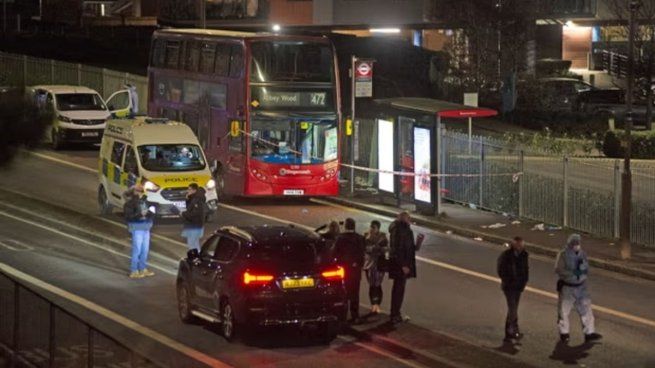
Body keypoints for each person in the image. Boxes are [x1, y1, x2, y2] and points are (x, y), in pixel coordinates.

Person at [555, 234, 602, 343]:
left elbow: (586, 268)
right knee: (563, 311)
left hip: (581, 286)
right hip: (568, 287)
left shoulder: (582, 254)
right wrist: (572, 273)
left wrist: (583, 273)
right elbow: (559, 269)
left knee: (586, 310)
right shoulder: (563, 255)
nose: (576, 245)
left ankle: (589, 333)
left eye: (578, 243)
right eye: (574, 243)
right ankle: (564, 333)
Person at [388, 211, 423, 324]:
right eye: (409, 219)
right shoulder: (399, 230)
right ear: (404, 219)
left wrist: (418, 244)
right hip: (400, 266)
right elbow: (397, 249)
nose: (410, 221)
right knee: (398, 290)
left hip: (403, 264)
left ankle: (396, 313)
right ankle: (395, 314)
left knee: (399, 289)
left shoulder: (405, 230)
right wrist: (403, 265)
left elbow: (409, 248)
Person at [333, 218, 366, 323]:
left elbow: (335, 253)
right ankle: (355, 316)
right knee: (355, 293)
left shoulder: (340, 238)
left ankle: (343, 317)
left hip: (343, 269)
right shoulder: (360, 238)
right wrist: (358, 264)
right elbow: (362, 254)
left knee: (344, 293)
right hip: (355, 270)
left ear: (346, 226)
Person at [497, 236, 529, 342]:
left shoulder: (524, 255)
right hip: (509, 286)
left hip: (518, 286)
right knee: (513, 309)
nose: (520, 247)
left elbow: (525, 270)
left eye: (521, 245)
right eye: (518, 245)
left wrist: (523, 282)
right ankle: (513, 330)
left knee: (513, 309)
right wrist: (508, 280)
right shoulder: (507, 256)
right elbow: (501, 270)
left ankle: (509, 332)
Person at [123, 183, 155, 279]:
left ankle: (142, 268)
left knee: (145, 249)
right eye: (140, 191)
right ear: (135, 192)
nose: (142, 193)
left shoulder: (144, 201)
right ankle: (134, 270)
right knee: (137, 249)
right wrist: (140, 214)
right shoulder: (129, 204)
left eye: (143, 191)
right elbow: (129, 217)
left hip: (146, 227)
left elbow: (149, 214)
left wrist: (151, 213)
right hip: (137, 227)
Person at [364, 220, 389, 314]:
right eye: (371, 227)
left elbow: (387, 249)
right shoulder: (366, 235)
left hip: (379, 264)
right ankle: (373, 304)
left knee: (377, 284)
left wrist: (378, 248)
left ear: (378, 228)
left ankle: (377, 304)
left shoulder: (383, 237)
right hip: (369, 264)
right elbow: (364, 248)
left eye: (374, 227)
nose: (372, 229)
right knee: (371, 284)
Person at [181, 183, 207, 252]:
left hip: (195, 224)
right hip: (194, 224)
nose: (187, 191)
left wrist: (183, 213)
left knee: (192, 244)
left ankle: (195, 258)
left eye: (189, 189)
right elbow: (189, 208)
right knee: (194, 243)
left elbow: (195, 213)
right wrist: (187, 199)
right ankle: (197, 257)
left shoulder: (197, 200)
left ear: (194, 190)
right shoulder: (193, 198)